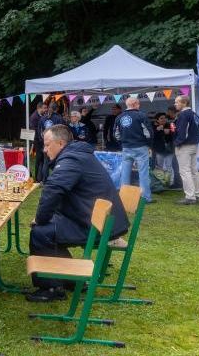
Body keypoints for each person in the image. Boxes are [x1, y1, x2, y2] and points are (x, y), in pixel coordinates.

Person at [26, 125, 129, 302]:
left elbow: (54, 189)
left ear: (60, 143)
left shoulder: (71, 159)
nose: (44, 149)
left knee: (40, 232)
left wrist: (41, 218)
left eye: (47, 144)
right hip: (99, 221)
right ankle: (72, 281)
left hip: (98, 227)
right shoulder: (77, 155)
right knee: (50, 228)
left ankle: (51, 288)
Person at [115, 97, 154, 203]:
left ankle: (124, 197)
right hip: (141, 147)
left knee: (125, 173)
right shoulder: (141, 115)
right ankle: (145, 197)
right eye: (139, 103)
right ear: (136, 104)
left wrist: (122, 144)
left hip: (126, 147)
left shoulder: (119, 117)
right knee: (143, 173)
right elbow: (148, 133)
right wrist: (149, 145)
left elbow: (116, 135)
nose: (139, 105)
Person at [172, 95, 199, 205]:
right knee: (194, 170)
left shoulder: (183, 114)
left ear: (184, 103)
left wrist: (177, 143)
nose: (175, 104)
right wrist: (193, 136)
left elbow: (182, 132)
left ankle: (190, 197)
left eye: (177, 102)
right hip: (194, 144)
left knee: (185, 171)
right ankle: (197, 194)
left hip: (185, 146)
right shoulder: (194, 114)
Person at [37, 102, 64, 182]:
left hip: (46, 143)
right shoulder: (59, 118)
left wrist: (43, 142)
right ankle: (56, 180)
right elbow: (62, 131)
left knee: (46, 162)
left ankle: (44, 181)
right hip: (56, 144)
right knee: (57, 162)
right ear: (57, 109)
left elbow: (39, 132)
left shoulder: (42, 118)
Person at [151, 112, 174, 182]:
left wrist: (170, 132)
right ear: (157, 120)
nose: (164, 119)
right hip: (159, 150)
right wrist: (159, 131)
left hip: (169, 150)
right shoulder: (153, 126)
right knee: (159, 167)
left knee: (169, 166)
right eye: (161, 118)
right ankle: (160, 182)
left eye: (165, 118)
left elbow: (175, 134)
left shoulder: (170, 125)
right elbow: (151, 137)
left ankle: (170, 182)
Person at [30, 103, 48, 181]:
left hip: (41, 140)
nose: (46, 110)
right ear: (39, 108)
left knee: (42, 160)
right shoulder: (34, 117)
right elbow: (34, 130)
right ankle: (37, 178)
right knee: (39, 159)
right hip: (37, 141)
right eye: (44, 108)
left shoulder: (42, 116)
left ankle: (40, 177)